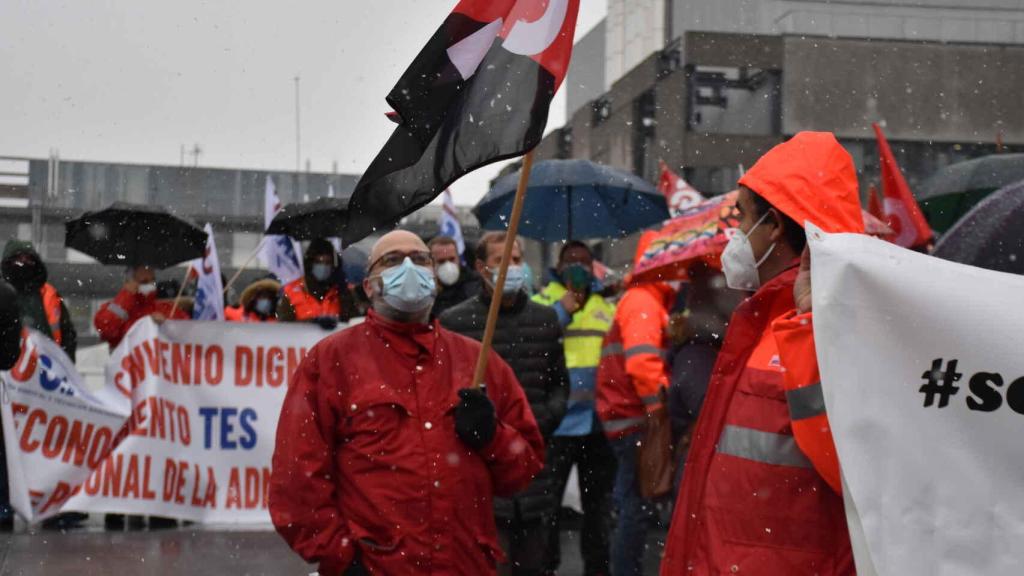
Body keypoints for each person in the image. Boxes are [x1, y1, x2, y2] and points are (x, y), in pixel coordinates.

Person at [270, 230, 544, 576]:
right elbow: (297, 479)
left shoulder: (477, 362)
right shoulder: (331, 361)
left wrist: (493, 436)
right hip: (378, 566)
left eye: (420, 259)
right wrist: (340, 557)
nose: (409, 268)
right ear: (369, 286)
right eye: (392, 261)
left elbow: (525, 469)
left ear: (435, 279)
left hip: (465, 565)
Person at [660, 132, 865, 575]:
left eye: (743, 217)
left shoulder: (838, 325)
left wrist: (812, 329)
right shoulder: (761, 317)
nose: (735, 234)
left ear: (773, 225)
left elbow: (857, 474)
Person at [440, 232, 569, 576]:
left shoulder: (545, 320)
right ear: (482, 268)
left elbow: (559, 384)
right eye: (501, 261)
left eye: (516, 260)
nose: (512, 268)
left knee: (536, 564)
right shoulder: (456, 323)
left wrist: (545, 417)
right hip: (482, 475)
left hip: (535, 470)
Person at [532, 241, 617, 576]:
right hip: (558, 425)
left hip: (597, 426)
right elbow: (532, 339)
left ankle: (597, 569)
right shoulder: (541, 302)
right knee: (547, 507)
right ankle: (547, 567)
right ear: (559, 265)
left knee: (598, 508)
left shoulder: (605, 308)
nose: (577, 267)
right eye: (571, 262)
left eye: (584, 262)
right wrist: (562, 311)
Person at [595, 236, 678, 576]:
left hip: (624, 416)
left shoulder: (642, 299)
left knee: (633, 502)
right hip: (635, 419)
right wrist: (660, 412)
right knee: (636, 505)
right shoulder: (644, 301)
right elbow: (643, 365)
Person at [1, 240, 77, 361]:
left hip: (44, 367)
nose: (23, 264)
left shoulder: (49, 295)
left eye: (27, 259)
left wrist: (65, 364)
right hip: (8, 370)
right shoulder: (4, 294)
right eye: (19, 259)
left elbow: (67, 334)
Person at [94, 265, 190, 350]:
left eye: (152, 280)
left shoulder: (165, 308)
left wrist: (166, 324)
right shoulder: (117, 306)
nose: (150, 285)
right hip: (127, 368)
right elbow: (105, 328)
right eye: (144, 281)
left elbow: (189, 333)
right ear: (129, 282)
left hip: (160, 368)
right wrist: (126, 295)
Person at [277, 238, 355, 327]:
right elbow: (284, 327)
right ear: (310, 264)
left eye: (327, 262)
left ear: (333, 266)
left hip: (335, 340)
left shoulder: (343, 291)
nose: (323, 266)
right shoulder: (292, 292)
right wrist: (312, 323)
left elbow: (352, 324)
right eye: (319, 262)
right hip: (302, 340)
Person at [430, 235, 480, 317]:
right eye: (441, 261)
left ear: (458, 258)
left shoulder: (476, 284)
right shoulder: (427, 292)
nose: (448, 265)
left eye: (451, 259)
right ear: (431, 263)